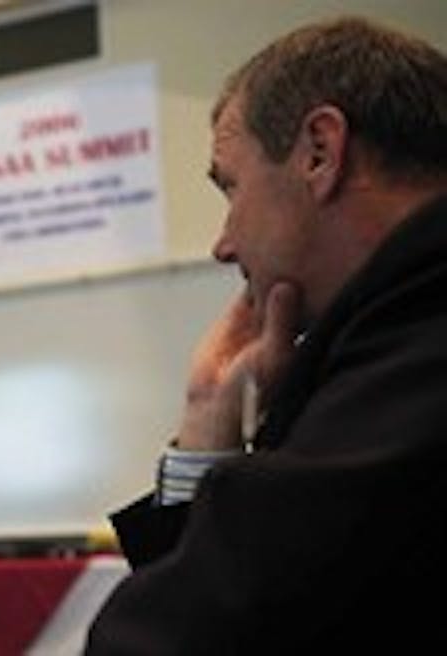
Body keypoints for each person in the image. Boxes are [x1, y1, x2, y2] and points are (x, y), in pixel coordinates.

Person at [86, 16, 447, 654]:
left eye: (231, 187)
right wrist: (208, 419)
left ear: (319, 152)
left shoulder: (418, 335)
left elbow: (186, 636)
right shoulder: (391, 332)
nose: (223, 244)